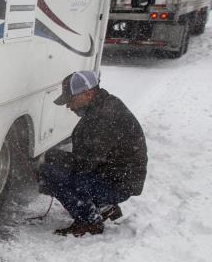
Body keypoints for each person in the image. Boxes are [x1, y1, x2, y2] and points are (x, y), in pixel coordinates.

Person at [38, 70, 147, 237]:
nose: (69, 106)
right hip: (116, 177)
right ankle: (103, 205)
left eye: (71, 100)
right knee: (56, 168)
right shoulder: (103, 106)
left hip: (118, 184)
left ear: (88, 93)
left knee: (49, 172)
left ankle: (90, 221)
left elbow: (85, 164)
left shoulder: (104, 117)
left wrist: (51, 157)